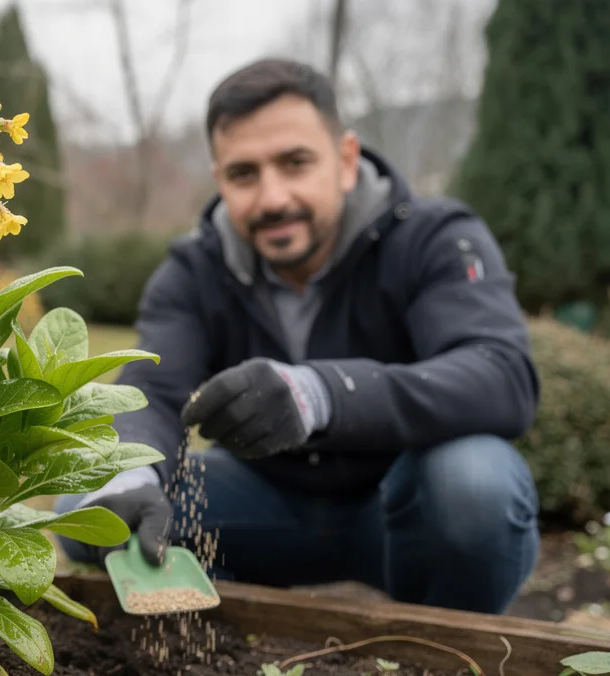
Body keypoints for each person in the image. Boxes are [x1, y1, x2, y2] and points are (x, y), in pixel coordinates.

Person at [56, 58, 541, 616]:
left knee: (475, 485)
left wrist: (320, 394)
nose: (272, 198)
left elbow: (500, 373)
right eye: (244, 174)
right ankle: (214, 629)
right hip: (265, 506)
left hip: (402, 509)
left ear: (346, 161)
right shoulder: (195, 269)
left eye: (295, 163)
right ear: (219, 180)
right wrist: (133, 473)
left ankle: (451, 666)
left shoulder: (433, 238)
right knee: (92, 506)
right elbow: (154, 389)